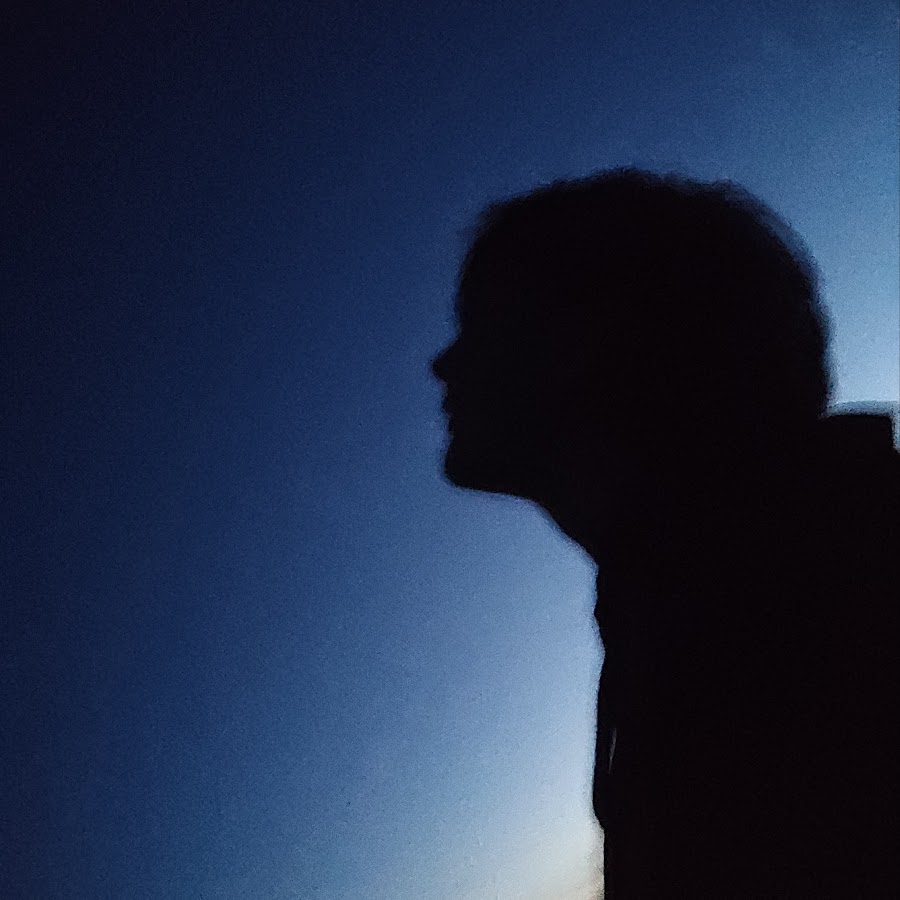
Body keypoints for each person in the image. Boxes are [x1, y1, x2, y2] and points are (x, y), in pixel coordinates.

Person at [430, 167, 898, 897]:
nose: (444, 363)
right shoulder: (700, 602)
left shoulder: (825, 591)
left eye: (484, 324)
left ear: (590, 333)